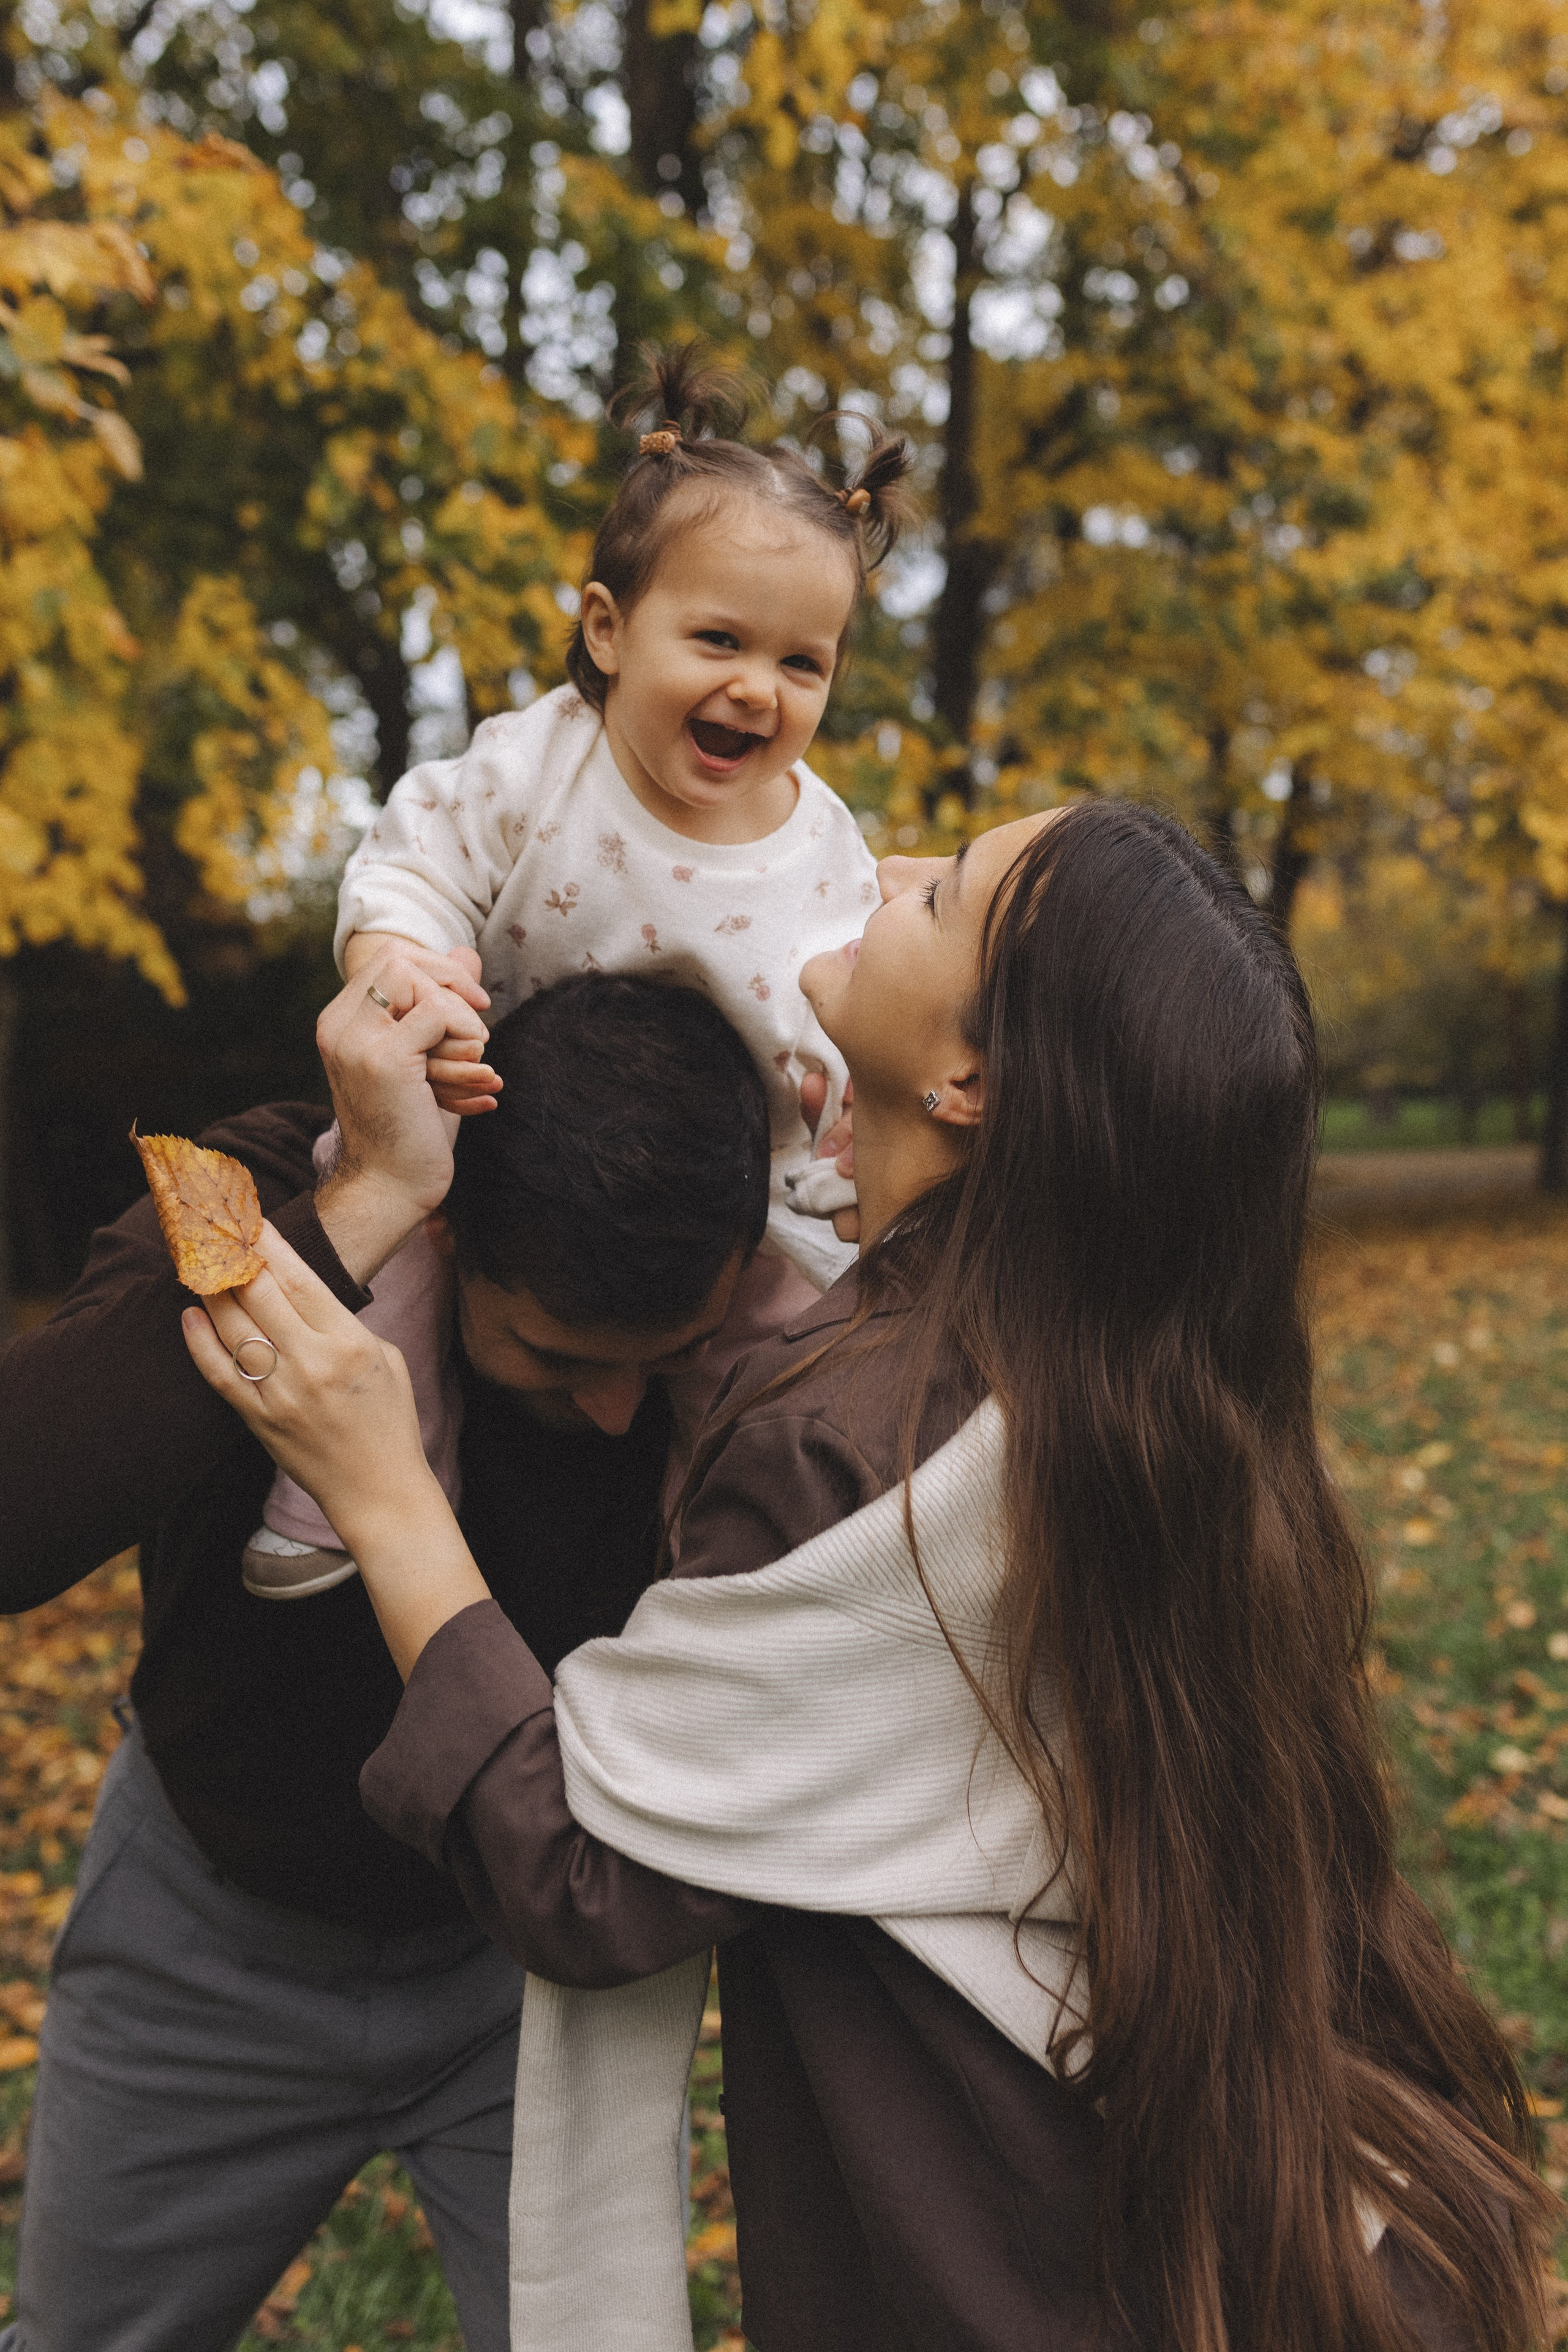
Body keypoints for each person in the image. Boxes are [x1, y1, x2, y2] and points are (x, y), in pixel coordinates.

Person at [188, 803, 1556, 2352]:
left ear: (969, 1079)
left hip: (1024, 2249)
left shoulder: (860, 1442)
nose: (889, 864)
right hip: (1274, 2214)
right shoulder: (1153, 1394)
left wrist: (378, 1483)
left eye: (944, 892)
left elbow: (580, 1860)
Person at [0, 957, 768, 2352]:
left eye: (659, 1362)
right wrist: (358, 1209)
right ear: (454, 1233)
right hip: (204, 1935)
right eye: (554, 1353)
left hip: (528, 1987)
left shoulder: (732, 1327)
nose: (614, 1414)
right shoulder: (272, 1190)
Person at [244, 342, 908, 1599]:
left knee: (779, 1340)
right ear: (607, 630)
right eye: (717, 639)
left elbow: (845, 1009)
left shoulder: (822, 841)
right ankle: (359, 1493)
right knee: (375, 1229)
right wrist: (402, 972)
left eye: (801, 662)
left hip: (721, 1191)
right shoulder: (537, 766)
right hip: (489, 1133)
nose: (754, 690)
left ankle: (732, 1551)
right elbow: (413, 855)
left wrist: (842, 1148)